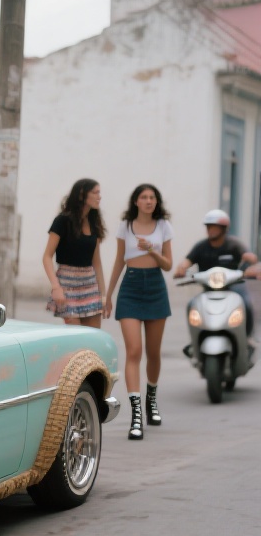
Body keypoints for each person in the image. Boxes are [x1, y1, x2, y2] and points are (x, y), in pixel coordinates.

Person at [104, 184, 174, 441]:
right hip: (130, 288)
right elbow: (119, 261)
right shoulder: (126, 226)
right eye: (143, 197)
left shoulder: (163, 226)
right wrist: (108, 295)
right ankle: (136, 416)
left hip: (155, 286)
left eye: (152, 197)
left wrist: (152, 250)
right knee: (134, 351)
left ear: (156, 202)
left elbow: (168, 265)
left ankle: (151, 400)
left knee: (153, 353)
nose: (148, 201)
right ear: (136, 201)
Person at [173, 209, 257, 337]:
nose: (210, 230)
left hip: (233, 287)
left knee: (245, 303)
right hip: (208, 288)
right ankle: (196, 337)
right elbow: (187, 261)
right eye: (208, 227)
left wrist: (251, 261)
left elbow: (250, 257)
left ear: (224, 229)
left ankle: (247, 337)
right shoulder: (200, 246)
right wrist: (181, 268)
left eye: (214, 227)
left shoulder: (234, 244)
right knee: (192, 305)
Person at [42, 178, 107, 327]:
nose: (99, 197)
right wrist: (56, 287)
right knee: (76, 335)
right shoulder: (62, 221)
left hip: (90, 284)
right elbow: (47, 256)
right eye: (95, 192)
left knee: (93, 336)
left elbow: (97, 263)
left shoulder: (94, 223)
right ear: (82, 194)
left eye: (99, 193)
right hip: (67, 284)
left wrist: (103, 295)